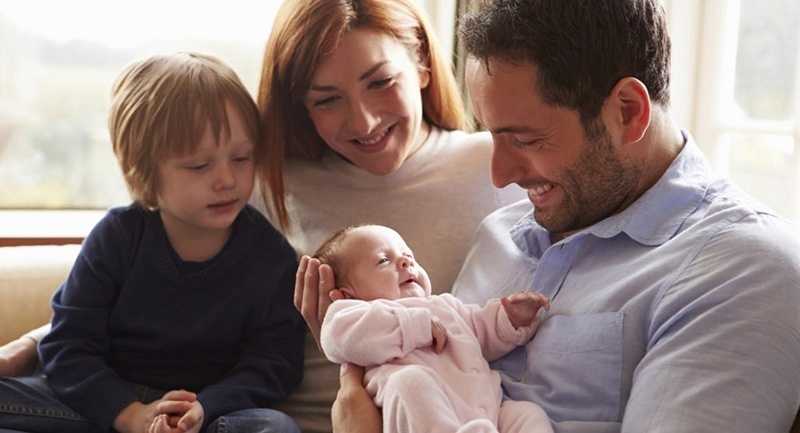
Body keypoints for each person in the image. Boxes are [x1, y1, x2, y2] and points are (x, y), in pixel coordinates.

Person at [322, 0, 800, 432]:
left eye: (525, 140)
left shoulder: (741, 269)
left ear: (628, 112)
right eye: (492, 136)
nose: (500, 175)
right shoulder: (502, 232)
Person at [252, 1, 525, 431]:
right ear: (300, 106)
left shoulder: (496, 168)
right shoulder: (272, 184)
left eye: (380, 82)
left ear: (421, 64)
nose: (363, 122)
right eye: (327, 100)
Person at [0, 52, 305, 433]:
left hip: (210, 415)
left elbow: (276, 363)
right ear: (143, 170)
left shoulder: (270, 255)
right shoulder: (117, 237)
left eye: (241, 158)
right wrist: (129, 415)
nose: (227, 179)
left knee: (275, 428)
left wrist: (205, 408)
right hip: (105, 406)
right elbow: (68, 346)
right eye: (199, 165)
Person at [315, 224, 552, 433]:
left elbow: (483, 329)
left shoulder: (447, 306)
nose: (405, 262)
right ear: (348, 295)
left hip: (488, 410)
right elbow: (338, 338)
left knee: (527, 414)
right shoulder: (356, 314)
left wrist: (510, 318)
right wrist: (416, 325)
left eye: (409, 255)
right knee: (409, 382)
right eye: (383, 260)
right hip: (419, 414)